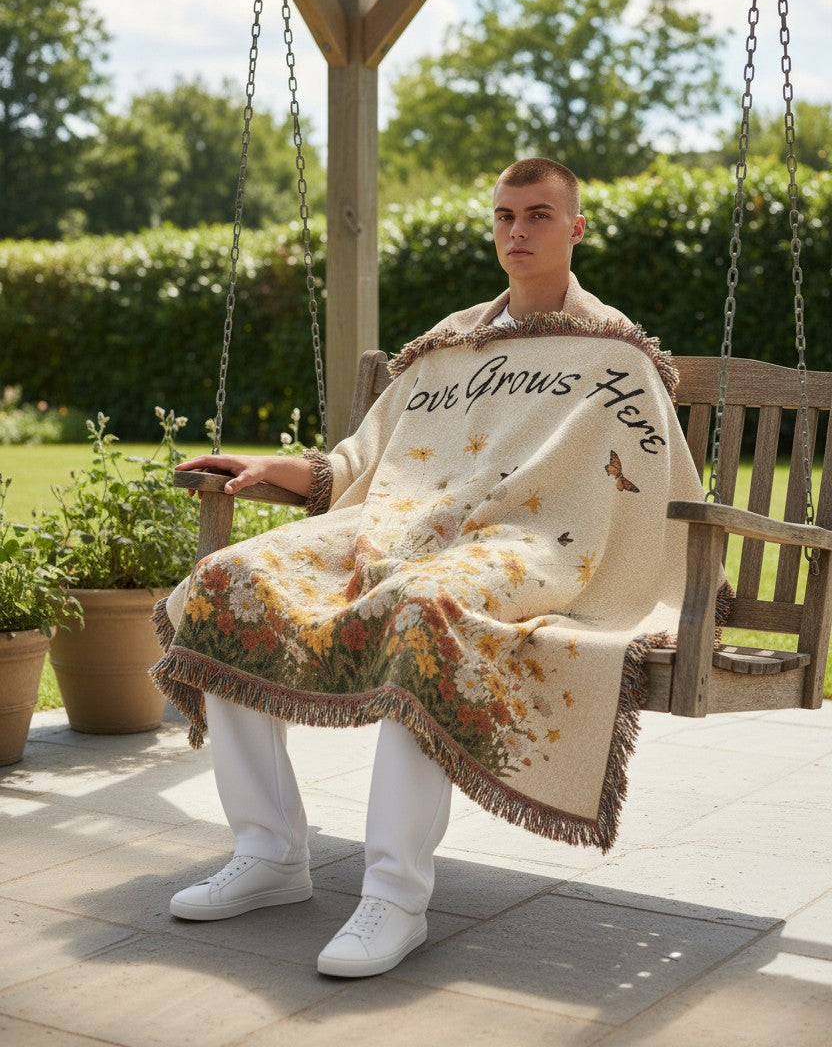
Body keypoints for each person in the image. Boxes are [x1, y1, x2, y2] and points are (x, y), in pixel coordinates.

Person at [162, 157, 633, 978]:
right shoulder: (452, 343)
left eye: (538, 215)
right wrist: (282, 470)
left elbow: (628, 490)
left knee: (425, 607)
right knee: (226, 580)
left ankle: (394, 895)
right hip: (399, 524)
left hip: (524, 544)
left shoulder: (613, 354)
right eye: (504, 216)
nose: (517, 231)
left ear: (576, 227)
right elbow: (364, 457)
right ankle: (269, 851)